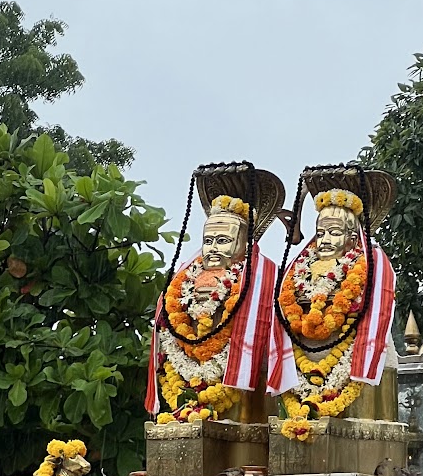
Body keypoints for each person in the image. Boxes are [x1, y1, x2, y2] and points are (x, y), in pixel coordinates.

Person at [146, 175, 281, 425]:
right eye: (208, 241)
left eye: (223, 240)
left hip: (242, 386)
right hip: (186, 376)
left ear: (245, 243)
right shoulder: (184, 280)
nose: (213, 248)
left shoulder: (260, 280)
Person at [267, 177, 397, 429]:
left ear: (352, 238)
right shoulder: (300, 269)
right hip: (301, 354)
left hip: (350, 357)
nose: (325, 240)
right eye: (320, 233)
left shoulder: (366, 266)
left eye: (335, 233)